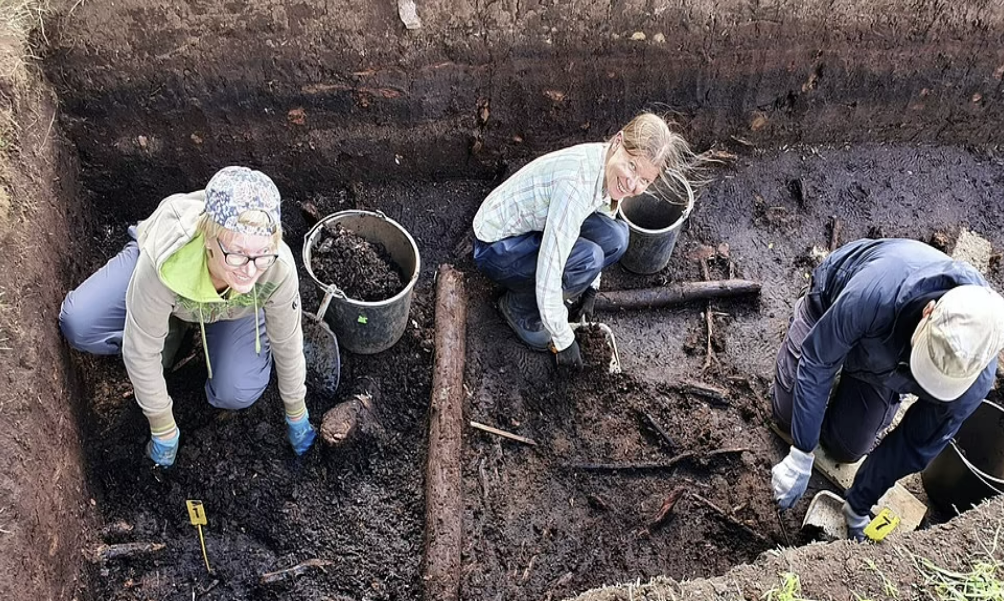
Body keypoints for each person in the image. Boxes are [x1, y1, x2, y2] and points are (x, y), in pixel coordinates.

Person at [59, 166, 320, 467]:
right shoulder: (168, 261)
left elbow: (287, 341)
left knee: (235, 390)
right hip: (169, 284)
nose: (249, 269)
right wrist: (163, 427)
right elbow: (140, 351)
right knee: (79, 324)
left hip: (232, 308)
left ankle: (182, 325)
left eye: (261, 254)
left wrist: (297, 412)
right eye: (236, 253)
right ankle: (174, 325)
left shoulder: (276, 268)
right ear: (209, 238)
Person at [770, 237, 1004, 540]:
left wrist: (860, 504)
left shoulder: (973, 380)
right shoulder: (875, 292)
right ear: (928, 311)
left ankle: (853, 386)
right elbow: (817, 360)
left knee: (846, 448)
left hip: (882, 368)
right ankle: (810, 341)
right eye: (929, 363)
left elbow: (914, 443)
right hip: (832, 306)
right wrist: (801, 453)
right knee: (787, 416)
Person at [472, 112, 699, 368]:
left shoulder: (607, 166)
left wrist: (591, 287)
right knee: (588, 257)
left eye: (644, 180)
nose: (632, 183)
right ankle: (519, 309)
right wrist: (564, 339)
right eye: (632, 166)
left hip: (533, 229)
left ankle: (555, 296)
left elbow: (602, 217)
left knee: (617, 236)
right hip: (496, 248)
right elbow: (550, 268)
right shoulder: (576, 185)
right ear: (617, 142)